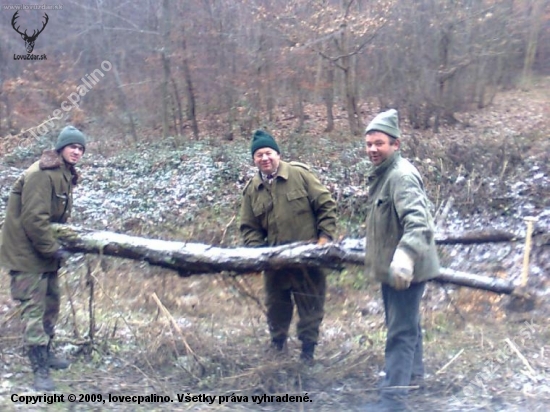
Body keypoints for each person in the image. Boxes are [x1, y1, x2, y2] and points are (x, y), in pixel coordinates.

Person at [362, 110, 440, 411]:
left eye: (379, 143)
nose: (372, 149)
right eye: (369, 143)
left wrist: (405, 257)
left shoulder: (401, 176)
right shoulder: (384, 174)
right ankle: (414, 376)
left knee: (400, 332)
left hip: (406, 271)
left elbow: (420, 224)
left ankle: (393, 401)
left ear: (396, 144)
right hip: (391, 270)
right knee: (408, 325)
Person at [0, 125, 86, 391]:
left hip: (43, 253)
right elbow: (34, 219)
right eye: (72, 146)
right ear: (60, 148)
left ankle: (46, 355)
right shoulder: (42, 174)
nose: (77, 151)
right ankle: (38, 369)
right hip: (26, 254)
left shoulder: (64, 174)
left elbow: (54, 220)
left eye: (81, 148)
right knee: (33, 311)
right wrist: (53, 249)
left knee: (51, 305)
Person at [239, 130, 337, 362]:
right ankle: (278, 348)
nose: (265, 158)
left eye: (269, 153)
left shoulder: (299, 175)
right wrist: (256, 254)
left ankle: (307, 354)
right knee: (276, 310)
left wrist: (324, 239)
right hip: (275, 266)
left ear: (278, 154)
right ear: (254, 160)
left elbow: (326, 205)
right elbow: (249, 227)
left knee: (311, 310)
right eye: (259, 155)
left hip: (309, 260)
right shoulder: (252, 190)